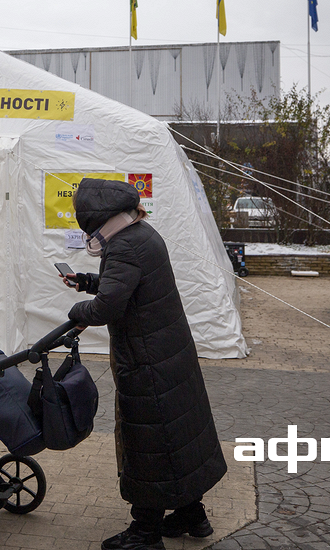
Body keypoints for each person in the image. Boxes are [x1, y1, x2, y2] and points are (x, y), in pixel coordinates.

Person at [61, 178, 226, 550]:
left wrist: (77, 310)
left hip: (148, 361)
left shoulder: (122, 247)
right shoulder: (141, 234)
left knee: (149, 442)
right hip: (169, 354)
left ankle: (145, 532)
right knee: (177, 437)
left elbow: (108, 307)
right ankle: (191, 515)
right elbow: (125, 285)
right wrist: (88, 282)